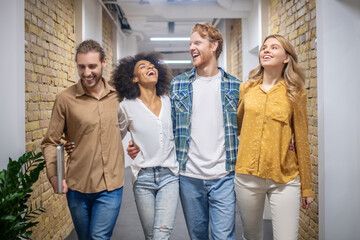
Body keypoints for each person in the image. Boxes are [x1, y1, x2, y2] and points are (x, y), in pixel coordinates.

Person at [41, 40, 125, 240]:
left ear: (103, 63)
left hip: (111, 186)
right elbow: (50, 141)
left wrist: (136, 147)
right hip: (78, 186)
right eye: (82, 66)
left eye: (92, 66)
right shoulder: (65, 99)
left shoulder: (119, 95)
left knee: (98, 237)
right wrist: (54, 175)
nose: (87, 72)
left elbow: (133, 124)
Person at [234, 34, 313, 240]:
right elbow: (239, 126)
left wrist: (306, 187)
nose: (266, 50)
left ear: (286, 58)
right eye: (264, 47)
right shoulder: (246, 89)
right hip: (247, 176)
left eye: (274, 48)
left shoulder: (295, 92)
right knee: (251, 236)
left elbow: (302, 140)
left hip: (284, 179)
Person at [171, 22, 241, 240]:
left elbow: (248, 126)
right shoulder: (178, 85)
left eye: (197, 42)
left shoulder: (237, 86)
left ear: (214, 45)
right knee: (197, 236)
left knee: (223, 237)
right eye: (190, 43)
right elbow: (169, 126)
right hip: (189, 176)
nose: (192, 47)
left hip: (225, 175)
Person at [112, 52, 179, 240]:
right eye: (143, 67)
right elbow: (115, 137)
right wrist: (129, 149)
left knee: (161, 236)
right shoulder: (126, 106)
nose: (150, 68)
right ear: (133, 78)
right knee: (151, 236)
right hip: (142, 178)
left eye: (152, 66)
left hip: (169, 176)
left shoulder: (169, 101)